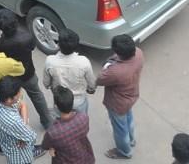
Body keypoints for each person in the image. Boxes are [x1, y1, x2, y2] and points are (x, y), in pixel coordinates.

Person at [96, 33, 144, 161]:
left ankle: (124, 151)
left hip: (117, 104)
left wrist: (107, 65)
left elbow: (99, 80)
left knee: (120, 129)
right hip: (132, 95)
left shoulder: (115, 71)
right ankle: (132, 140)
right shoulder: (139, 53)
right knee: (129, 119)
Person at [42, 28, 95, 115]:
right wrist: (91, 90)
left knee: (61, 123)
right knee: (81, 122)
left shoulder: (50, 61)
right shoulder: (84, 61)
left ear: (58, 44)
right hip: (79, 101)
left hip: (60, 103)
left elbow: (46, 83)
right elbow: (91, 84)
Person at [0, 76, 45, 162]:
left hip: (7, 146)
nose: (20, 94)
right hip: (20, 157)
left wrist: (23, 128)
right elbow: (31, 137)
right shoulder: (12, 121)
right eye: (18, 92)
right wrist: (24, 132)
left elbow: (22, 104)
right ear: (9, 100)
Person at [41, 86, 95, 163]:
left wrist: (51, 148)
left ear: (56, 106)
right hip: (85, 158)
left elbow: (45, 146)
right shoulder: (83, 118)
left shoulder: (53, 132)